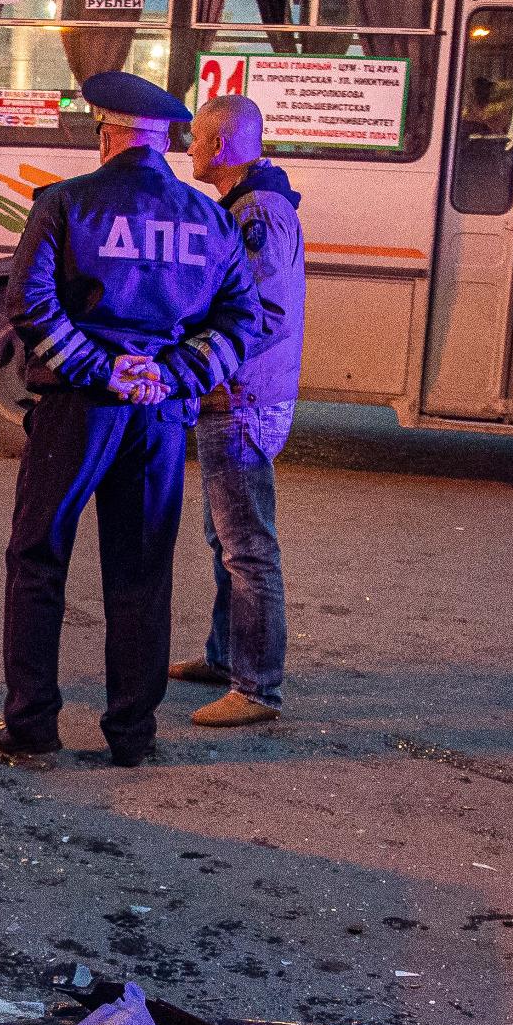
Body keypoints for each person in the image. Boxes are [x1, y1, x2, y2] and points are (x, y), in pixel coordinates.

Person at [0, 71, 272, 768]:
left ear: (106, 133)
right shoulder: (208, 217)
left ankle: (32, 728)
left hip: (77, 411)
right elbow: (242, 319)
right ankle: (132, 734)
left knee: (39, 560)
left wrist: (99, 367)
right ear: (167, 139)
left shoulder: (64, 204)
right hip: (159, 418)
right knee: (141, 572)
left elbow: (29, 306)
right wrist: (172, 373)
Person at [168, 93, 306, 727]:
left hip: (242, 397)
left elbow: (264, 314)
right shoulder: (248, 205)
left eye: (196, 137)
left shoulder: (257, 213)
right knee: (225, 537)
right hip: (232, 393)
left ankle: (256, 687)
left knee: (247, 547)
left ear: (219, 146)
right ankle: (225, 657)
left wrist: (203, 360)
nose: (188, 148)